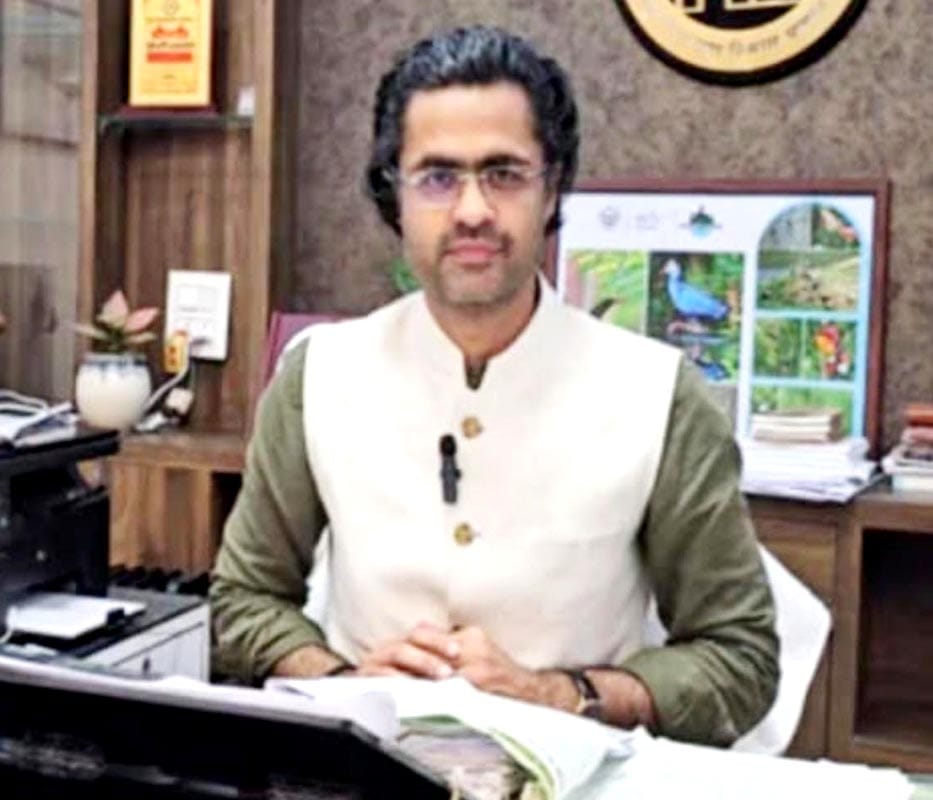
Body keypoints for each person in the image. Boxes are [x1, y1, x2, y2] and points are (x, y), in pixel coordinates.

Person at [210, 25, 778, 747]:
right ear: (394, 195)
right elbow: (244, 599)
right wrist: (339, 681)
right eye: (437, 177)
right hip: (365, 768)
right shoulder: (318, 374)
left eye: (504, 173)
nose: (473, 210)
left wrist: (561, 695)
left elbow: (740, 658)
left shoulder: (658, 396)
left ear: (552, 188)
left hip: (574, 772)